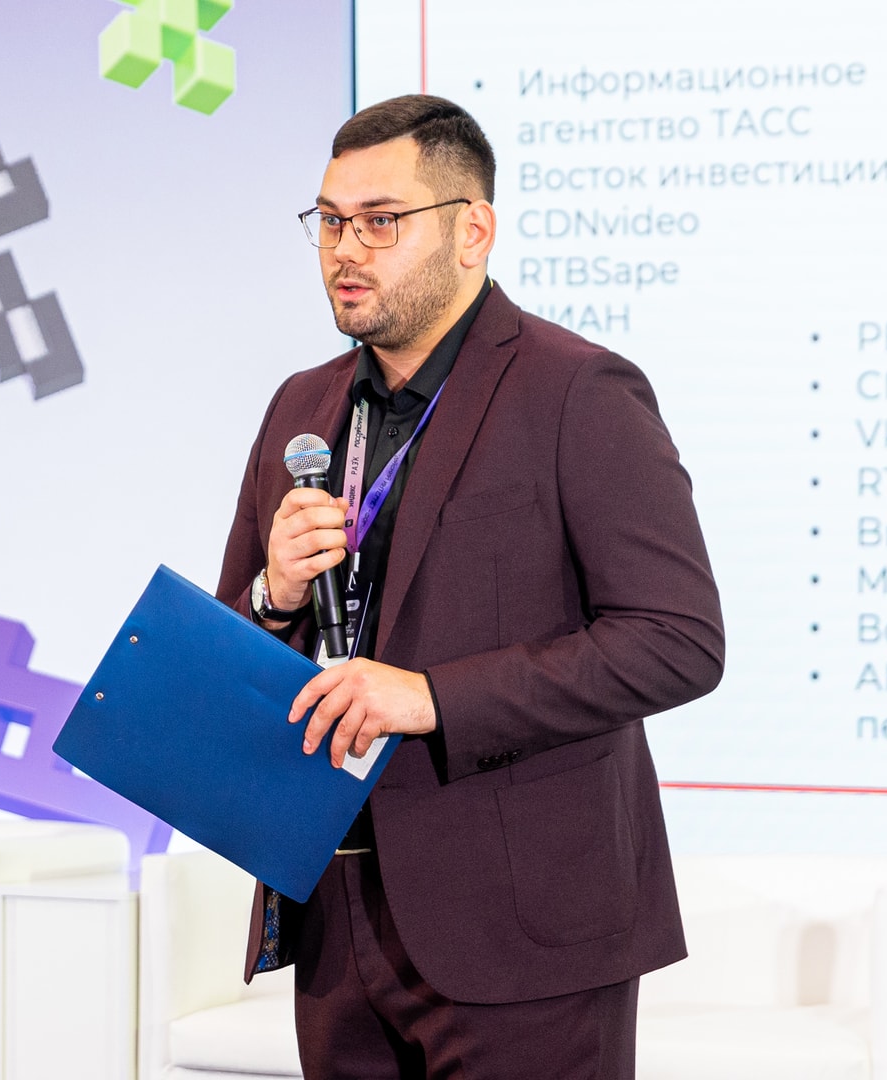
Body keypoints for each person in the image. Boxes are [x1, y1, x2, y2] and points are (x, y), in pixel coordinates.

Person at [214, 94, 724, 1079]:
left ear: (472, 232)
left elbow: (677, 640)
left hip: (522, 928)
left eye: (381, 221)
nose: (345, 250)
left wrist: (432, 697)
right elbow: (237, 645)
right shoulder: (302, 407)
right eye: (330, 221)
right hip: (334, 916)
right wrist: (274, 596)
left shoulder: (577, 391)